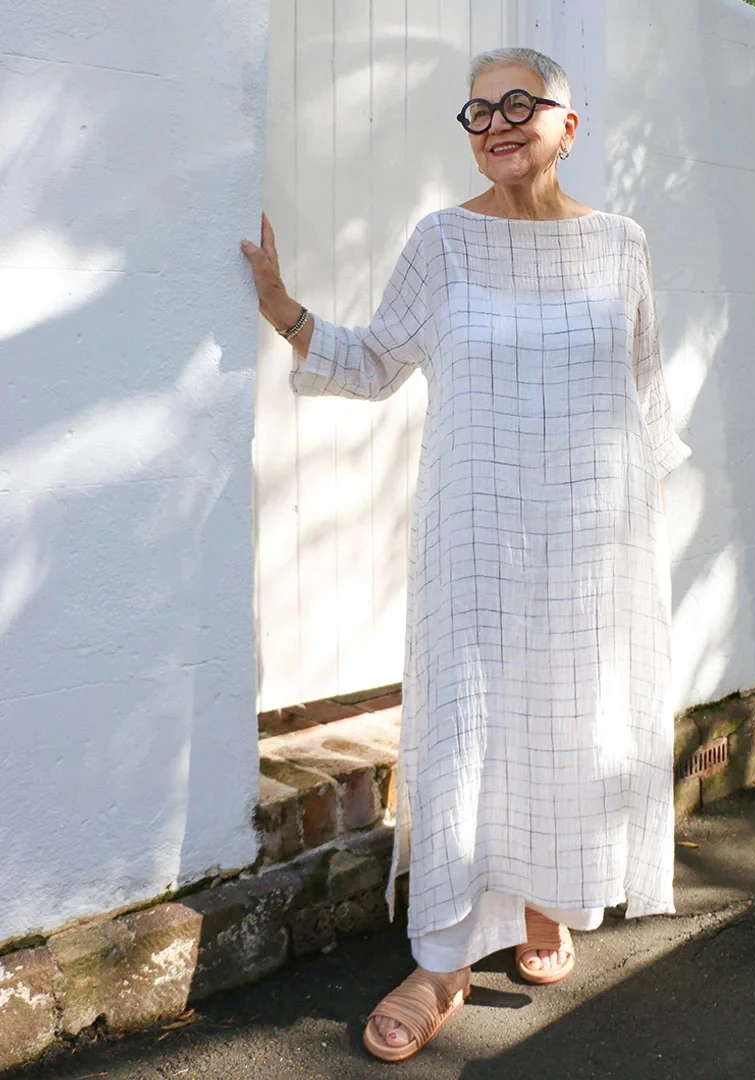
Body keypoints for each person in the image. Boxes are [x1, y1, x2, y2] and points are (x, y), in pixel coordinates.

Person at [242, 46, 690, 1064]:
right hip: (474, 545)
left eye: (519, 103)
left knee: (568, 721)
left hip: (591, 543)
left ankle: (546, 900)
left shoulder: (621, 245)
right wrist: (284, 311)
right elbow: (375, 361)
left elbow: (646, 394)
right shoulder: (443, 244)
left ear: (568, 125)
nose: (496, 122)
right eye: (478, 111)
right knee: (464, 732)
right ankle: (441, 959)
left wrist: (643, 535)